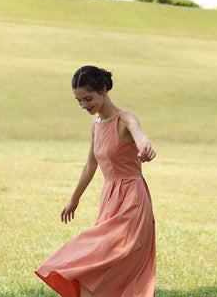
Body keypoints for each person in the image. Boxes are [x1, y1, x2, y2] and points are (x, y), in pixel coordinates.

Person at [35, 65, 156, 297]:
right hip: (110, 198)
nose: (83, 106)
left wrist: (145, 147)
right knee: (99, 259)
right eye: (78, 101)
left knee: (112, 258)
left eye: (87, 99)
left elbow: (140, 135)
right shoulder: (96, 125)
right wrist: (74, 199)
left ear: (103, 90)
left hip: (132, 199)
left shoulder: (125, 119)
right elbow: (91, 165)